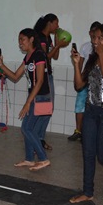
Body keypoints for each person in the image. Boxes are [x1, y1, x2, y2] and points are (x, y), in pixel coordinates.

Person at [70, 24, 103, 203]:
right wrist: (77, 65)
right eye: (94, 38)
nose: (95, 41)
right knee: (88, 152)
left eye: (100, 38)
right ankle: (87, 191)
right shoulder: (92, 58)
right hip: (91, 110)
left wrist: (101, 54)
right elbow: (79, 85)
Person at [0, 28, 51, 171]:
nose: (20, 43)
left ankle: (43, 158)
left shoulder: (39, 55)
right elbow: (15, 76)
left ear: (31, 39)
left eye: (23, 39)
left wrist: (28, 103)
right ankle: (29, 159)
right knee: (29, 128)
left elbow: (39, 81)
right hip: (35, 97)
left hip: (40, 97)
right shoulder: (28, 57)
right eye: (19, 40)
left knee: (26, 128)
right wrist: (2, 66)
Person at [34, 13, 69, 151]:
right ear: (50, 23)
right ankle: (36, 138)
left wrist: (57, 43)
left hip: (48, 76)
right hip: (42, 77)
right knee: (44, 109)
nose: (58, 26)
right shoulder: (41, 38)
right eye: (56, 23)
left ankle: (39, 138)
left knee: (48, 109)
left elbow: (54, 56)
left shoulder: (48, 38)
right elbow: (44, 56)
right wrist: (57, 45)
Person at [68, 21, 101, 142]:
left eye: (98, 34)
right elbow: (80, 64)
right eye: (93, 33)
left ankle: (92, 133)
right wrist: (78, 80)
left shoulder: (102, 47)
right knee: (80, 106)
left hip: (97, 83)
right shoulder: (85, 47)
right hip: (85, 80)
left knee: (93, 107)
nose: (94, 36)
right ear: (90, 33)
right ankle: (79, 131)